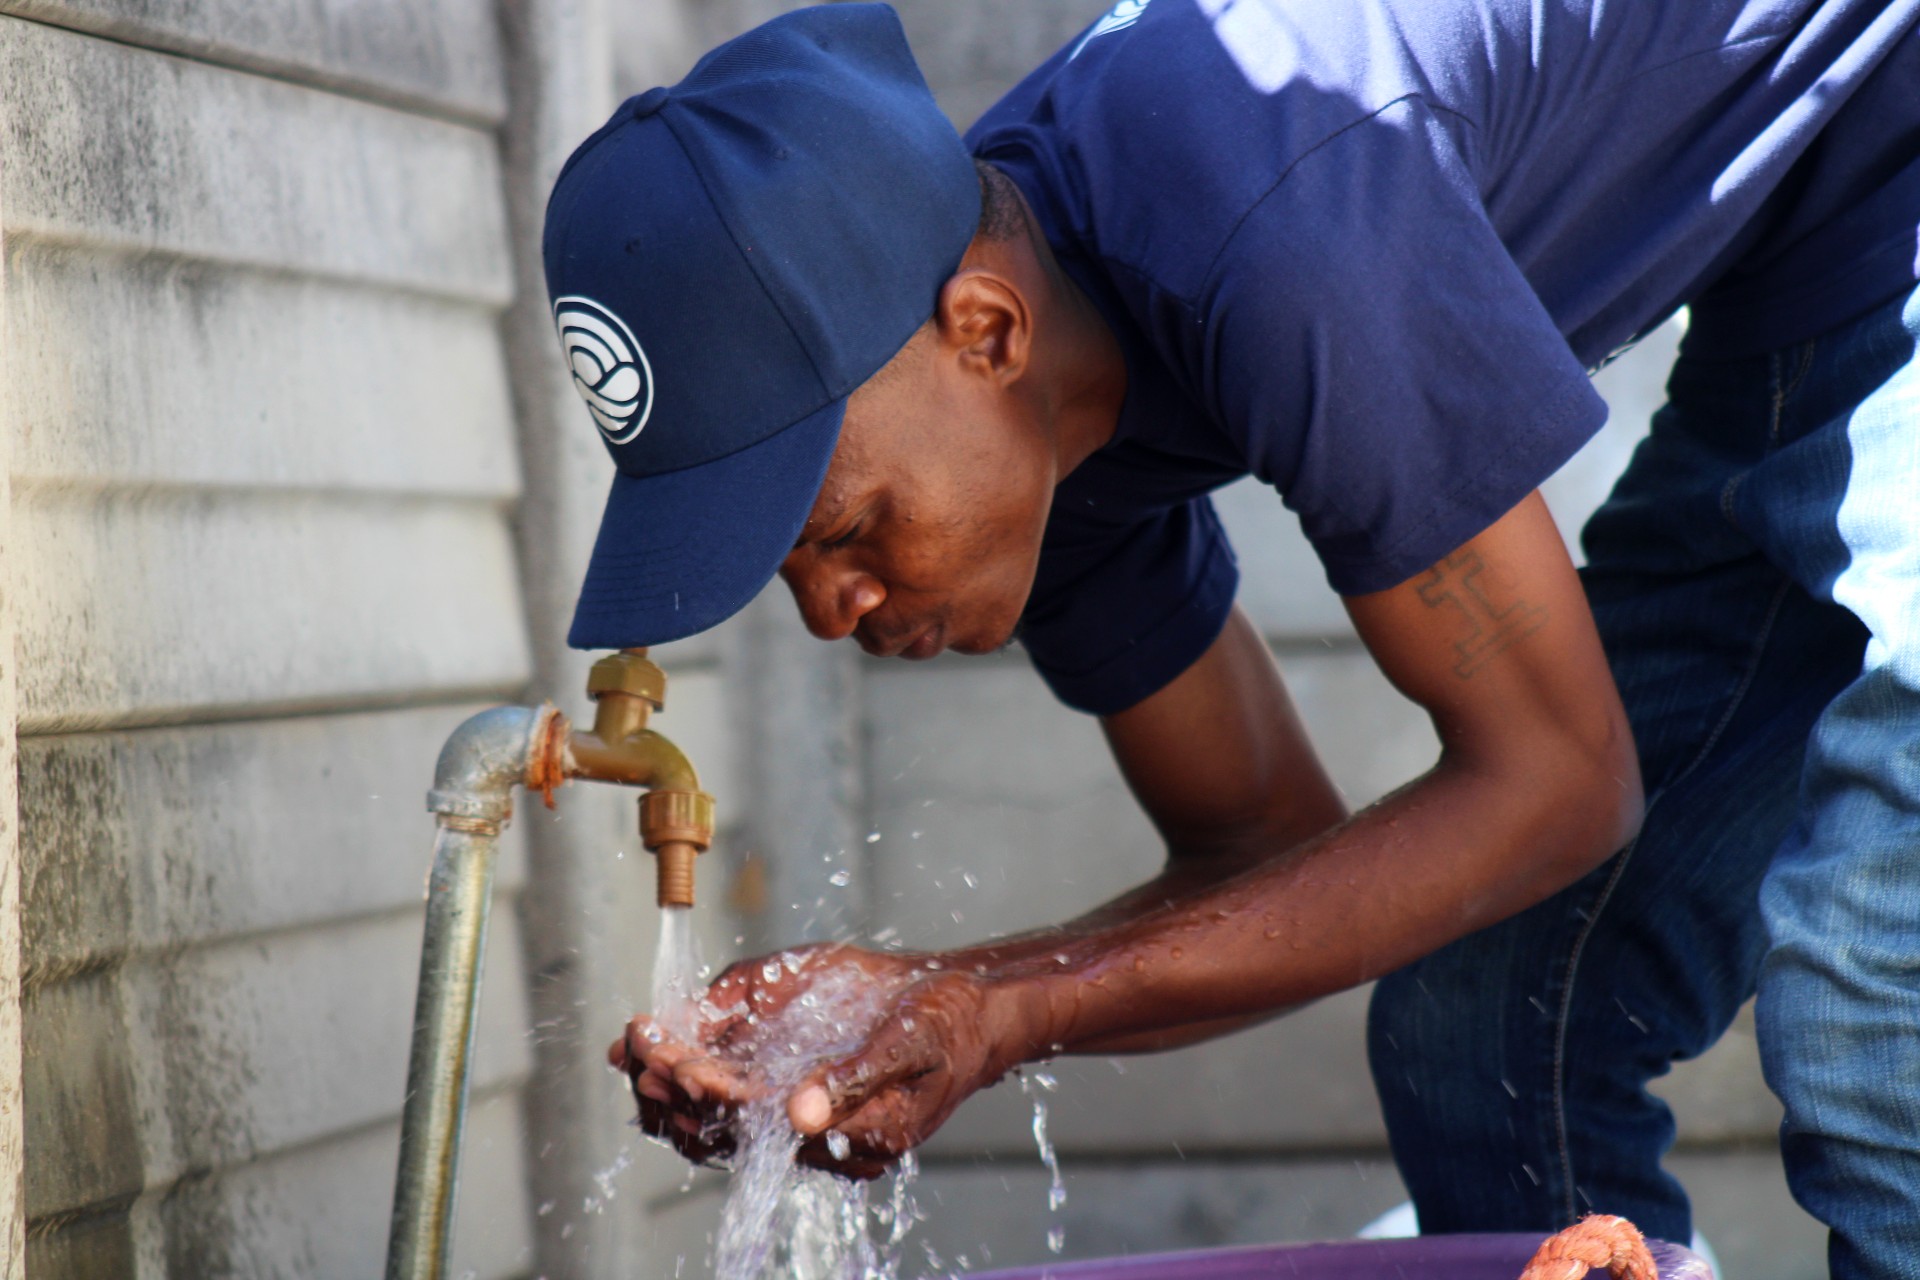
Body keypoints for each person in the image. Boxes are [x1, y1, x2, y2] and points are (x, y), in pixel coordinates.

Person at [542, 1, 1920, 1273]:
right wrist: (921, 1007)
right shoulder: (1037, 425)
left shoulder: (1277, 224)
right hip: (1805, 252)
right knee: (1482, 1020)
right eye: (787, 569)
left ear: (987, 329)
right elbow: (1261, 838)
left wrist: (1000, 1011)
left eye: (841, 528)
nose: (832, 609)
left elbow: (1559, 783)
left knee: (1876, 992)